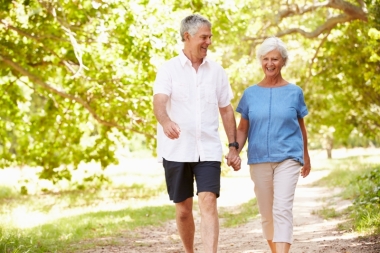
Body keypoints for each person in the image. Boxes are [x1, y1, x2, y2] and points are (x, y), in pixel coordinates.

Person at [153, 14, 240, 253]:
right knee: (183, 211)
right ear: (187, 37)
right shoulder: (168, 69)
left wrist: (233, 146)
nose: (209, 42)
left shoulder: (217, 72)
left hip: (209, 149)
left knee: (209, 201)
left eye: (210, 37)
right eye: (204, 37)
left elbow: (226, 109)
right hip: (177, 149)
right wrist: (166, 121)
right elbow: (159, 101)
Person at [234, 36, 311, 253]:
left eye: (275, 59)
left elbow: (300, 126)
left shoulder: (294, 92)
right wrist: (234, 150)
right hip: (259, 159)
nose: (270, 63)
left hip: (288, 157)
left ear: (283, 62)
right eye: (266, 59)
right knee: (267, 213)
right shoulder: (250, 94)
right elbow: (242, 129)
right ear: (261, 61)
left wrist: (305, 155)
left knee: (282, 209)